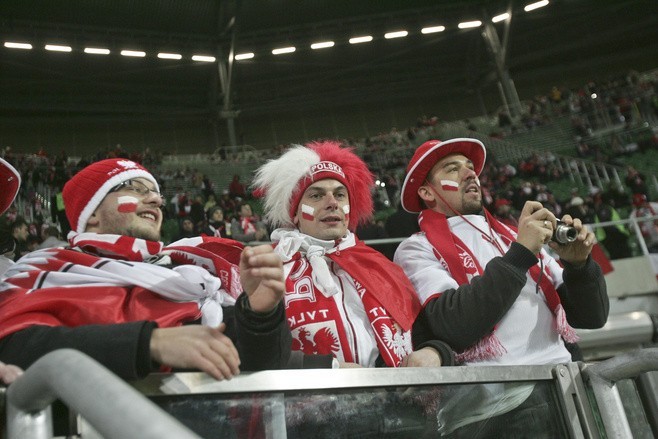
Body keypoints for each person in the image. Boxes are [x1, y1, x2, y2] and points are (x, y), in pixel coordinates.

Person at [0, 158, 291, 383]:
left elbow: (257, 369)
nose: (155, 199)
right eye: (135, 190)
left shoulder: (191, 280)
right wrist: (148, 343)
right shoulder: (44, 270)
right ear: (91, 217)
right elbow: (15, 348)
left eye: (155, 193)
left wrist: (259, 315)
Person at [395, 138, 608, 436]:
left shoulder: (511, 233)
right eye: (452, 169)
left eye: (470, 168)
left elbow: (592, 318)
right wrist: (520, 254)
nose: (470, 174)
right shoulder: (416, 248)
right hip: (500, 408)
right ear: (427, 192)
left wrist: (579, 266)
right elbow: (454, 324)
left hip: (568, 385)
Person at [254, 140, 453, 369]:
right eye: (316, 196)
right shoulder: (269, 270)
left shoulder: (379, 265)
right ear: (295, 213)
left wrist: (436, 351)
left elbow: (423, 333)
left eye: (340, 195)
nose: (332, 204)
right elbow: (254, 355)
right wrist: (328, 369)